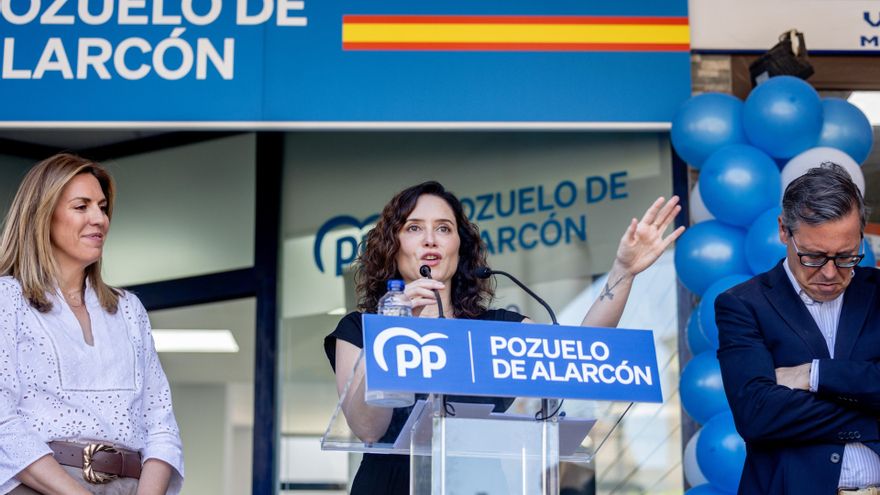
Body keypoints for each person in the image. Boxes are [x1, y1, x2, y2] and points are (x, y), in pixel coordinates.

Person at [323, 181, 683, 494]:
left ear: (459, 247)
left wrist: (622, 272)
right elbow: (368, 427)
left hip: (479, 487)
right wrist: (394, 324)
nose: (430, 239)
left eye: (444, 228)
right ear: (393, 244)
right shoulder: (361, 329)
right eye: (414, 228)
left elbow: (578, 355)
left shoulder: (496, 328)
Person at [0, 154, 184, 495]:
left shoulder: (129, 310)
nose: (99, 218)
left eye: (102, 207)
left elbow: (161, 425)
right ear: (42, 215)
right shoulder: (7, 300)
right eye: (81, 206)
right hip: (41, 486)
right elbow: (2, 421)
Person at [716, 163, 880, 494]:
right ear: (783, 230)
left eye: (848, 257)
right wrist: (870, 415)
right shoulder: (743, 305)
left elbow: (781, 408)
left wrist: (814, 375)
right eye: (814, 257)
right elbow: (757, 415)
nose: (831, 273)